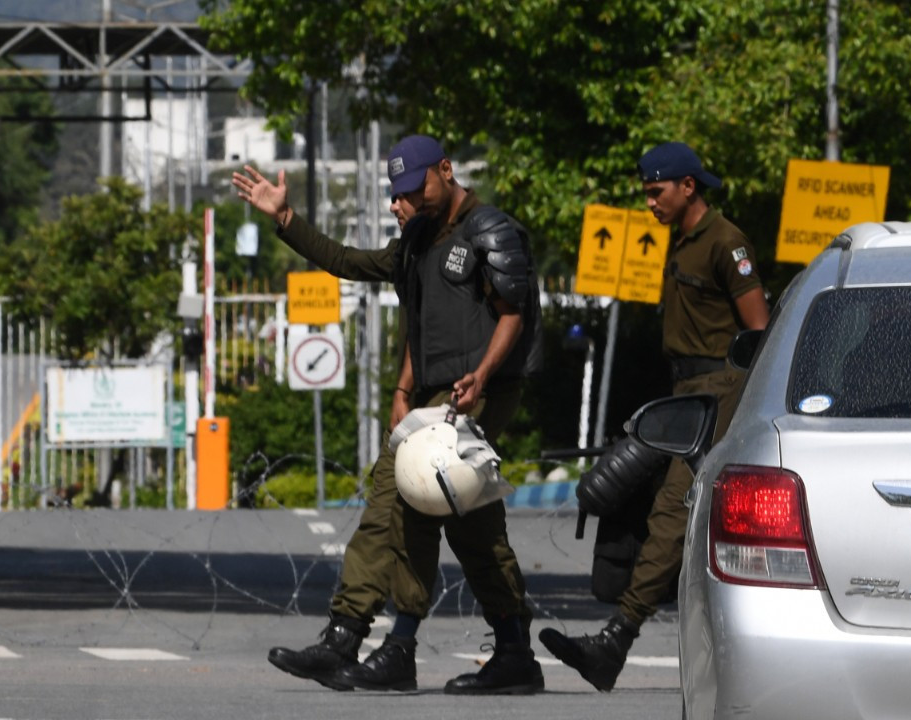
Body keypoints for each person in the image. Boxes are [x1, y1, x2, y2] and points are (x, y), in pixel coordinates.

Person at [231, 134, 544, 695]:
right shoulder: (417, 241)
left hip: (480, 392)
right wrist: (286, 219)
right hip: (430, 397)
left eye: (412, 190)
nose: (402, 203)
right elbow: (357, 269)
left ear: (445, 170)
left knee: (412, 502)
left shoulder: (489, 231)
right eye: (395, 194)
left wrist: (481, 376)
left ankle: (384, 642)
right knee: (454, 521)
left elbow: (512, 314)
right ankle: (499, 649)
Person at [539, 141, 769, 691]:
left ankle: (615, 640)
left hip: (718, 392)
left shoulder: (726, 242)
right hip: (687, 391)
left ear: (688, 187)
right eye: (645, 193)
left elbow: (758, 331)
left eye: (656, 191)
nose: (649, 203)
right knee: (669, 513)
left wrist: (739, 404)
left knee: (671, 512)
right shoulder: (682, 241)